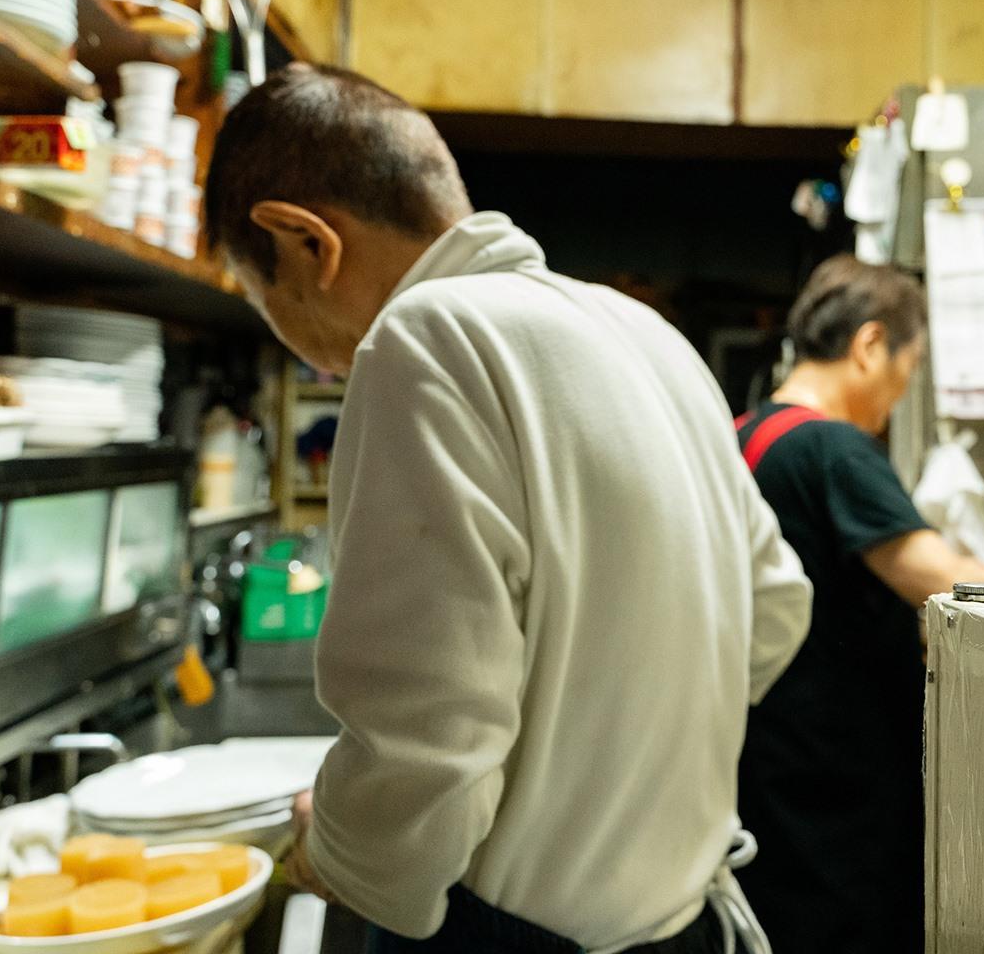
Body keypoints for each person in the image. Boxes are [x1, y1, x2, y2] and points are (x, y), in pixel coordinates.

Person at [203, 64, 813, 953]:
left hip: (519, 938)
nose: (295, 342)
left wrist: (338, 845)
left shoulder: (422, 339)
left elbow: (425, 732)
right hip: (687, 923)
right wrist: (614, 743)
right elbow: (777, 609)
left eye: (268, 303)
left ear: (304, 242)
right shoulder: (651, 337)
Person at [734, 255, 984, 954]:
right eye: (910, 364)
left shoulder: (750, 432)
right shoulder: (832, 447)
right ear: (871, 345)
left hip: (770, 759)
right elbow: (934, 577)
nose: (902, 389)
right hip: (834, 780)